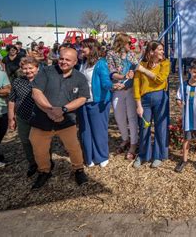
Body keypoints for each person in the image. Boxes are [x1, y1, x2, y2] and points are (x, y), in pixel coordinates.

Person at [29, 48, 90, 189]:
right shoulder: (46, 71)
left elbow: (82, 98)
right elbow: (36, 92)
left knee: (74, 148)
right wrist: (50, 110)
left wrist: (62, 110)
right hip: (42, 120)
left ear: (75, 62)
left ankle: (78, 170)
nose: (63, 62)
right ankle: (44, 171)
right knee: (39, 149)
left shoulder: (80, 78)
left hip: (66, 120)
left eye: (68, 60)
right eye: (61, 58)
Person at [78, 38, 116, 168]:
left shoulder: (101, 64)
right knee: (85, 131)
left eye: (84, 47)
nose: (81, 49)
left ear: (92, 49)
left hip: (98, 102)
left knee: (99, 130)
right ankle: (89, 157)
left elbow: (105, 81)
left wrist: (112, 86)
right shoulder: (82, 63)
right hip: (82, 101)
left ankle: (102, 156)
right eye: (81, 47)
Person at [133, 41, 170, 169]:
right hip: (144, 101)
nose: (162, 52)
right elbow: (136, 86)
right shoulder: (141, 64)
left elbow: (160, 79)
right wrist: (138, 105)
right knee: (144, 127)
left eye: (162, 49)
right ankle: (143, 155)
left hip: (161, 98)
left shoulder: (165, 63)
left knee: (161, 127)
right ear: (151, 51)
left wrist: (143, 70)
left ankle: (159, 155)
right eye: (160, 49)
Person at [106, 33, 139, 160]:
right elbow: (112, 72)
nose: (131, 45)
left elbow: (136, 67)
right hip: (117, 90)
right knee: (119, 117)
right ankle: (125, 139)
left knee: (132, 117)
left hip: (130, 90)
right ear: (122, 42)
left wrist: (133, 71)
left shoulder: (131, 55)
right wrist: (123, 77)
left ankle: (134, 143)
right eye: (129, 42)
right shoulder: (111, 54)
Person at [7, 56, 40, 177]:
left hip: (40, 117)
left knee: (43, 142)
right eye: (25, 68)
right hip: (23, 117)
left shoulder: (43, 80)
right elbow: (12, 100)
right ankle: (32, 163)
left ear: (37, 68)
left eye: (31, 68)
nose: (28, 71)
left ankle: (46, 162)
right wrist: (11, 118)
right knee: (26, 142)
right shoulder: (17, 81)